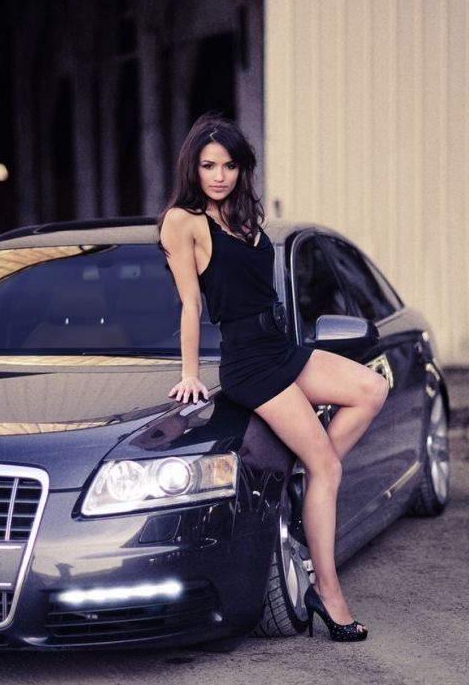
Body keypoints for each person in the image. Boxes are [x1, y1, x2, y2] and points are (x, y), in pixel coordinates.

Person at [158, 114, 388, 642]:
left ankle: (306, 476)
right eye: (209, 166)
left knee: (371, 389)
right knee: (328, 466)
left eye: (229, 165)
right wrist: (189, 374)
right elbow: (191, 303)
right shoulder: (183, 220)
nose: (219, 176)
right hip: (248, 362)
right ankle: (327, 592)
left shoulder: (242, 214)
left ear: (242, 168)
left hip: (280, 346)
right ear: (193, 167)